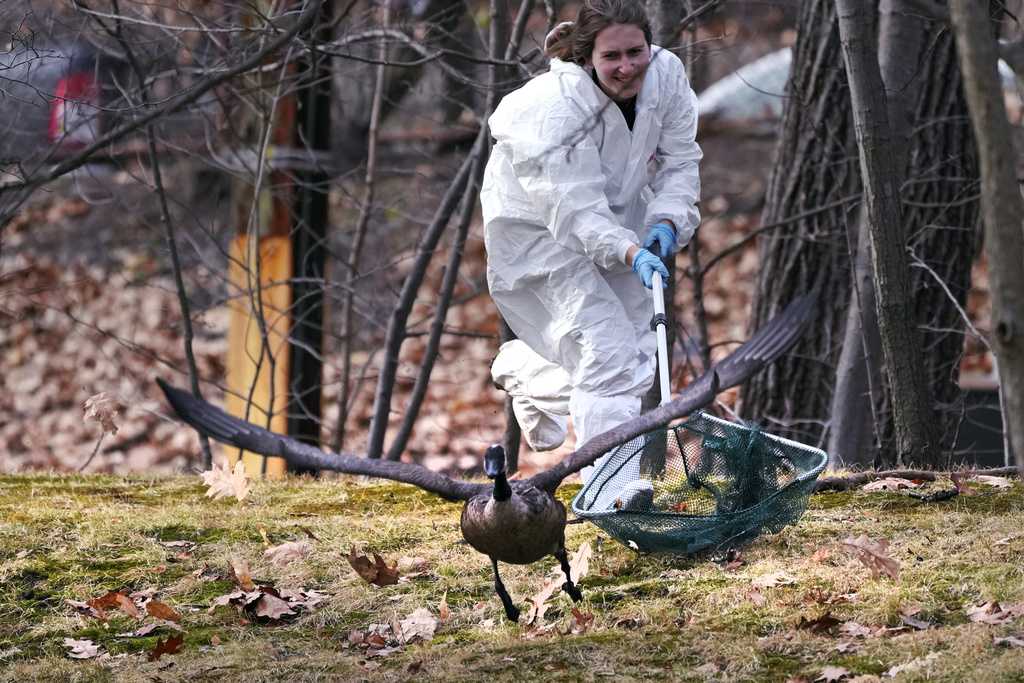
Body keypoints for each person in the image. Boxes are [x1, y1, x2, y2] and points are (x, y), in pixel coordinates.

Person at [480, 0, 702, 480]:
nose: (627, 67)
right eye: (611, 57)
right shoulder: (554, 111)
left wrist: (666, 221)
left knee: (635, 360)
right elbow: (574, 211)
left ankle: (528, 370)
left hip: (622, 219)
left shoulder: (666, 77)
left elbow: (681, 161)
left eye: (635, 51)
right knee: (608, 356)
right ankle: (609, 495)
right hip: (539, 234)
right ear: (587, 60)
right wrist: (629, 252)